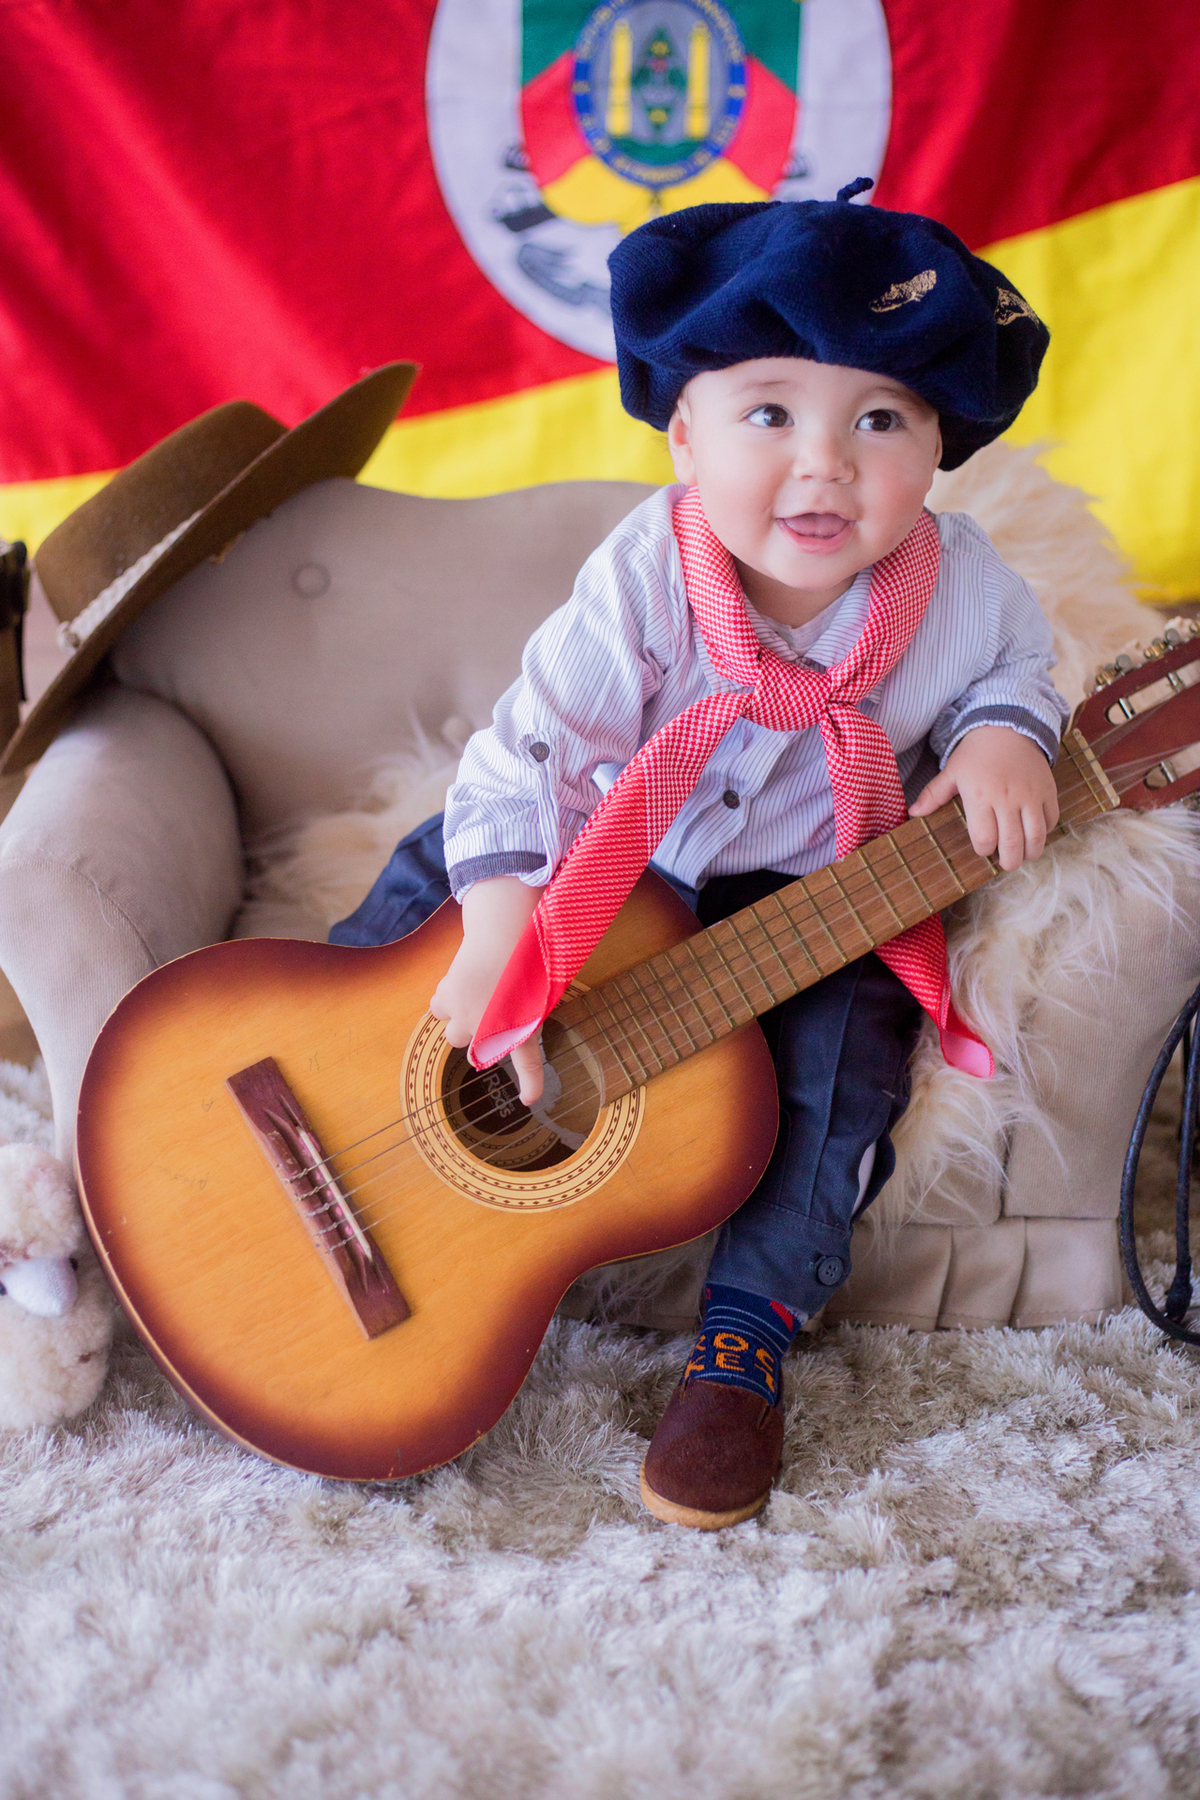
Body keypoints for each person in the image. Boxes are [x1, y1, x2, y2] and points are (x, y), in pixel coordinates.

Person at [332, 182, 1067, 1529]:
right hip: (615, 844)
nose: (825, 463)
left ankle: (746, 1335)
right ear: (683, 431)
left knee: (843, 1061)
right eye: (770, 410)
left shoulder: (965, 592)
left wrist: (1009, 734)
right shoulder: (644, 578)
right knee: (441, 865)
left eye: (881, 419)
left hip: (801, 881)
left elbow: (1015, 670)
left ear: (940, 445)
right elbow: (531, 754)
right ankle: (316, 1065)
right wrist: (504, 922)